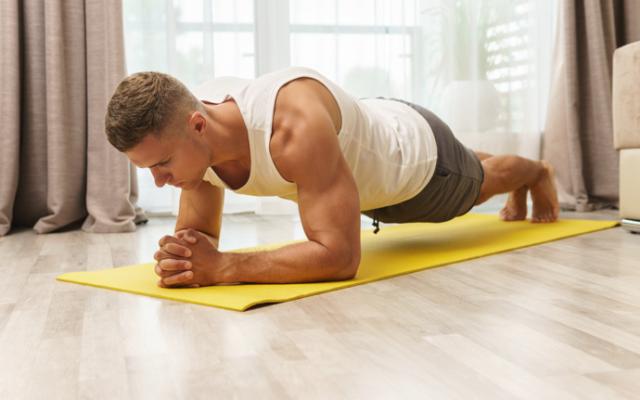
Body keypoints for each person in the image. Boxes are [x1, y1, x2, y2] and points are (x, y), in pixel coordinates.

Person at [105, 67, 559, 288]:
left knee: (479, 180)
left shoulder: (292, 126)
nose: (159, 183)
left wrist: (227, 267)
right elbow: (198, 238)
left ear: (197, 127)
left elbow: (341, 257)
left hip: (420, 165)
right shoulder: (194, 132)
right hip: (373, 141)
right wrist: (182, 256)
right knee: (470, 164)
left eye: (160, 165)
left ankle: (537, 173)